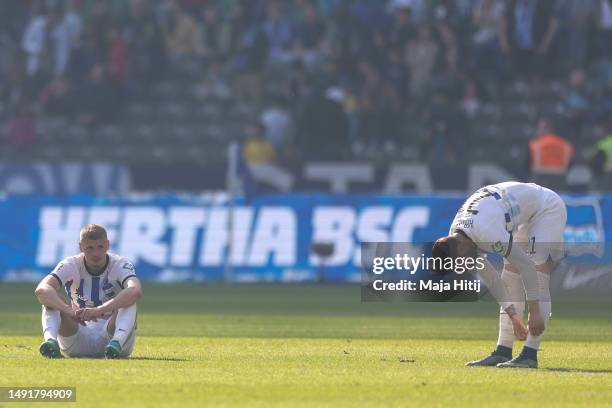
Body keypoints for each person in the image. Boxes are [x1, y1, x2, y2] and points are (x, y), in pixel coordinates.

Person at [432, 181, 567, 368]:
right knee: (510, 276)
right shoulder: (457, 238)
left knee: (537, 270)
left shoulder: (486, 233)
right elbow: (494, 281)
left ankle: (529, 354)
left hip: (546, 208)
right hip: (521, 215)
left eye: (460, 262)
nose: (463, 266)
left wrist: (534, 311)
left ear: (461, 248)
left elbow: (526, 266)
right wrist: (514, 318)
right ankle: (503, 351)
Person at [34, 224, 142, 359]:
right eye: (89, 248)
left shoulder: (120, 263)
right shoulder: (70, 264)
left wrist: (99, 310)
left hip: (111, 333)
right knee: (51, 300)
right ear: (81, 248)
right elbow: (41, 290)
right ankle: (50, 342)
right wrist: (69, 311)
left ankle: (117, 342)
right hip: (77, 334)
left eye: (100, 247)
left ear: (107, 245)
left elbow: (135, 290)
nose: (95, 253)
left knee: (129, 300)